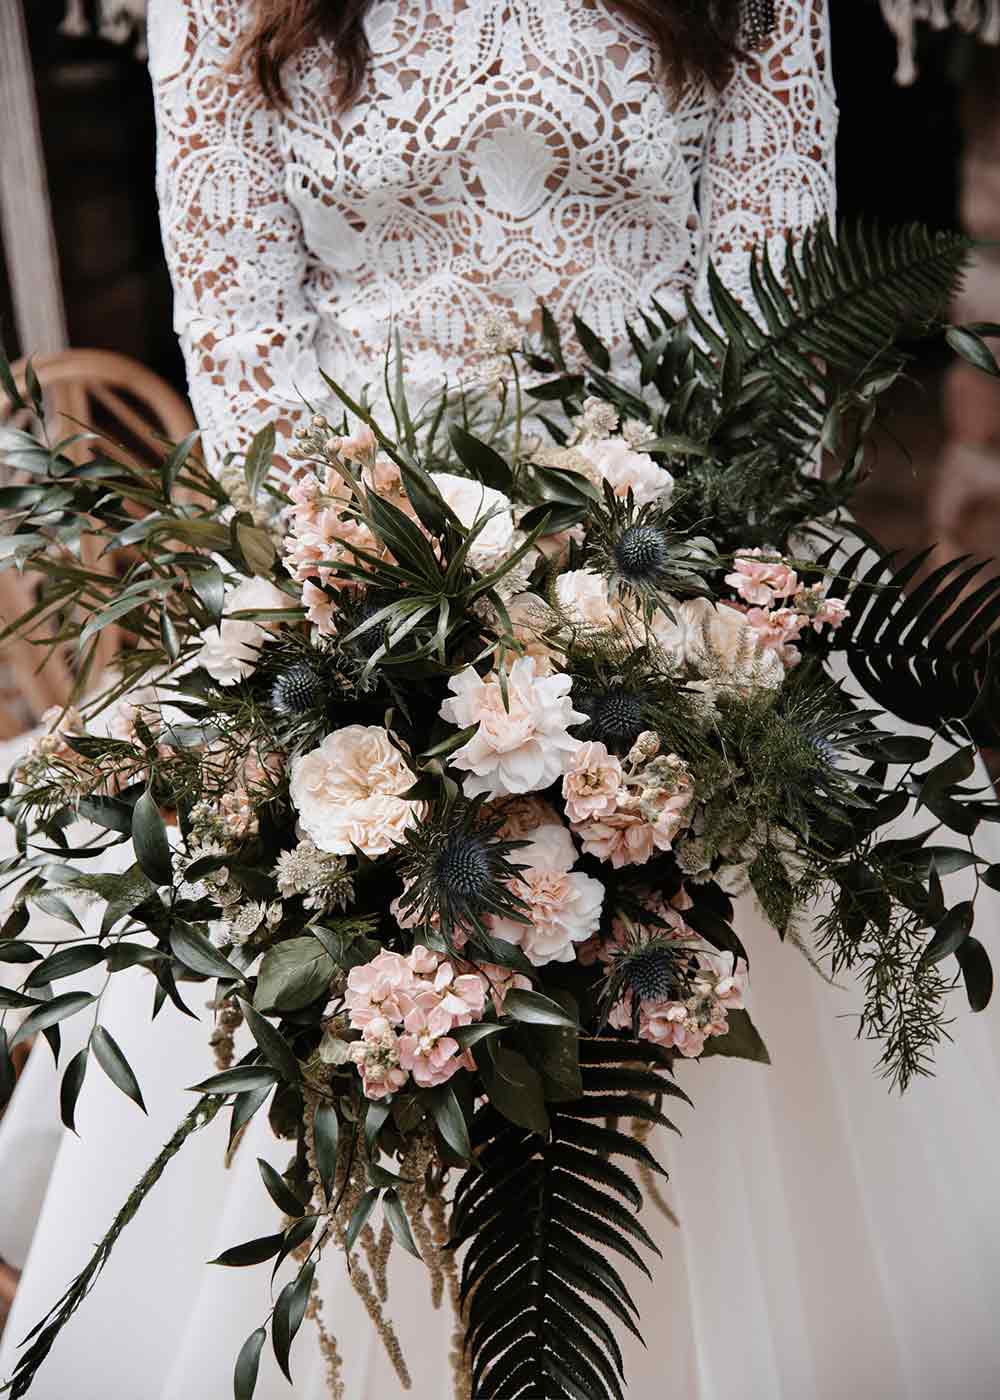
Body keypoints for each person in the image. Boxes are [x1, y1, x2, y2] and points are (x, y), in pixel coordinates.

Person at [2, 2, 1000, 1396]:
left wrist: (654, 630)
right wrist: (392, 644)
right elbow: (242, 359)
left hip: (691, 594)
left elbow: (785, 334)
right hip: (352, 614)